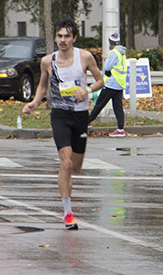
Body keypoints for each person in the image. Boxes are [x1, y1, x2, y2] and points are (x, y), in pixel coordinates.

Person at [23, 17, 104, 230]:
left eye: (67, 36)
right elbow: (42, 86)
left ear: (74, 38)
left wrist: (86, 90)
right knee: (65, 162)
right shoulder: (47, 61)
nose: (63, 40)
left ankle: (68, 188)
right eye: (59, 36)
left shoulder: (85, 57)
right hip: (59, 115)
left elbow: (100, 80)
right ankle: (68, 213)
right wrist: (34, 103)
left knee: (75, 166)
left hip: (80, 116)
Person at [88, 31, 128, 137]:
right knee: (118, 107)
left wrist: (107, 60)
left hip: (111, 83)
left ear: (110, 43)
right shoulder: (121, 52)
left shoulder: (114, 53)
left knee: (100, 103)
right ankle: (120, 129)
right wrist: (108, 58)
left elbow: (108, 67)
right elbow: (117, 64)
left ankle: (87, 122)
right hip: (120, 83)